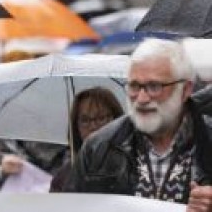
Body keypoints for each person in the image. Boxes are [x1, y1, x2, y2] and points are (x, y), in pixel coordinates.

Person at [66, 38, 212, 209]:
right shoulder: (99, 147)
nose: (141, 99)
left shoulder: (208, 140)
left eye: (154, 86)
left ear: (185, 90)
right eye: (134, 86)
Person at [50, 87, 124, 192]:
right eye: (85, 120)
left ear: (117, 120)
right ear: (76, 128)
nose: (93, 126)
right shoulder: (65, 177)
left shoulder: (135, 168)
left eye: (101, 118)